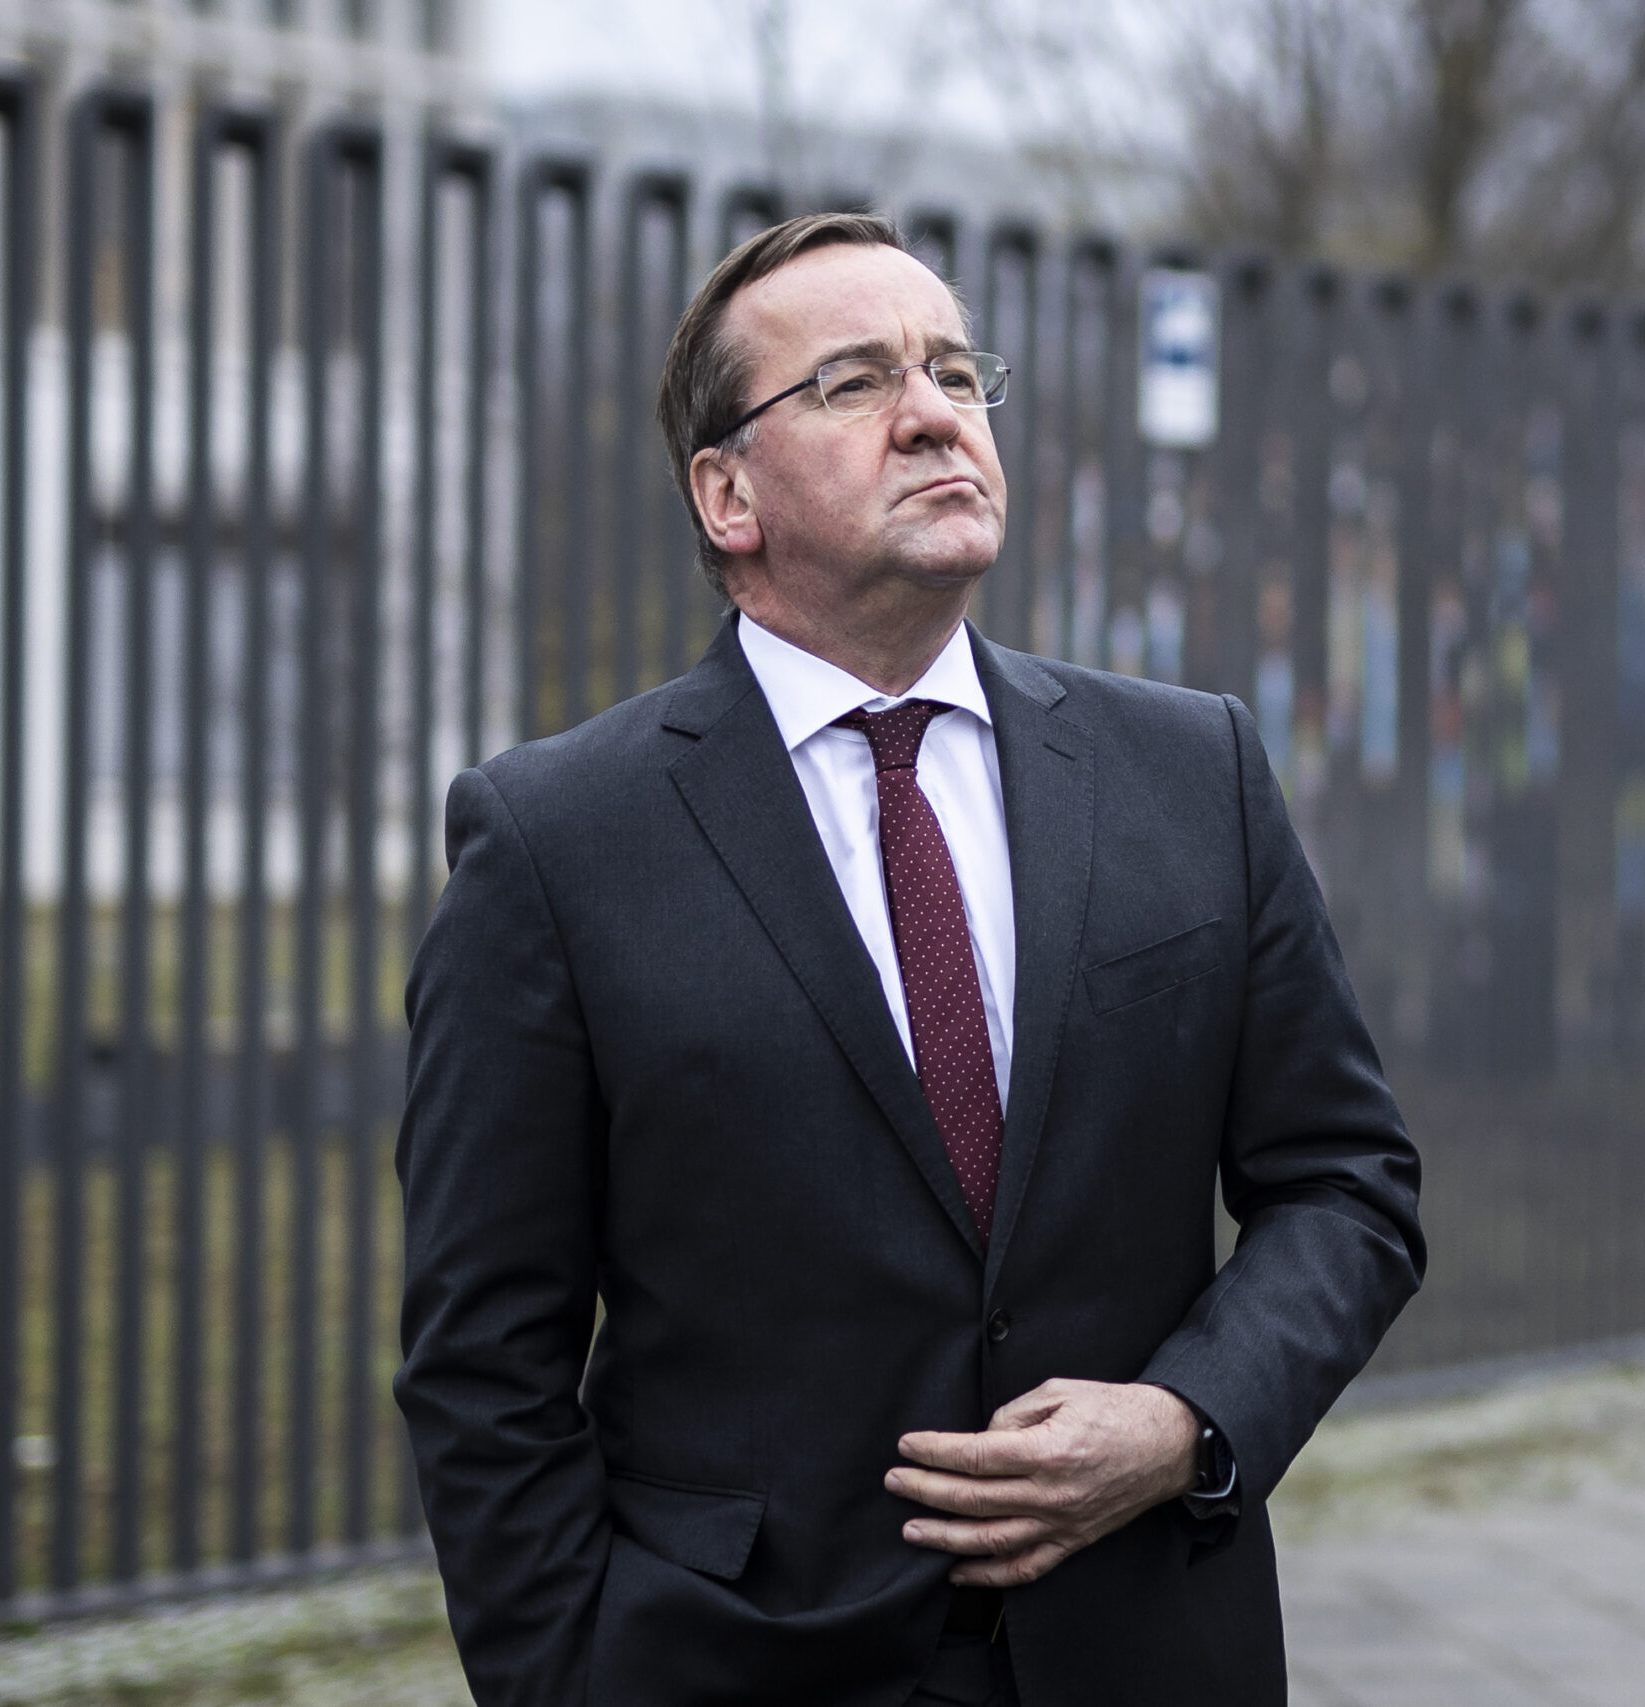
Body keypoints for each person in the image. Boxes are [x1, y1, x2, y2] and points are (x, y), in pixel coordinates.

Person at [394, 211, 1425, 1707]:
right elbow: (482, 1361)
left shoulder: (1189, 770)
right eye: (856, 383)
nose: (937, 413)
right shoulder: (555, 843)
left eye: (954, 370)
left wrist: (1188, 1419)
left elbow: (1348, 1186)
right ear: (728, 493)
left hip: (1149, 1656)